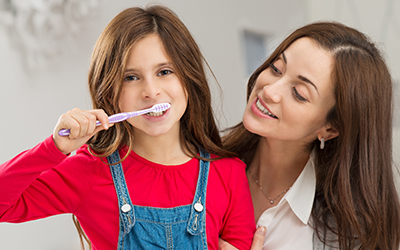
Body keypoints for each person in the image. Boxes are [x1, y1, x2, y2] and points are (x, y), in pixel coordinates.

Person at [0, 5, 256, 250]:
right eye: (131, 77)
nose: (151, 91)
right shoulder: (90, 171)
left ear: (189, 78)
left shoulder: (229, 174)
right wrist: (54, 148)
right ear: (111, 94)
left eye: (165, 71)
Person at [222, 21, 400, 249]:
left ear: (330, 129)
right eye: (276, 69)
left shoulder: (348, 235)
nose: (269, 90)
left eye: (298, 93)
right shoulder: (201, 168)